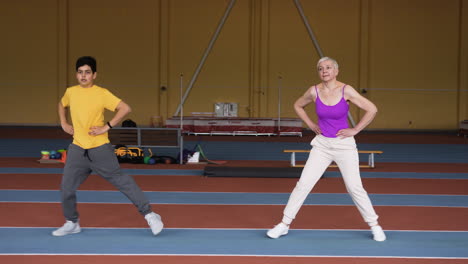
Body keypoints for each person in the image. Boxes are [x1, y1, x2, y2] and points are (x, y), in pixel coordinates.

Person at [266, 57, 386, 242]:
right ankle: (284, 224)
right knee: (303, 184)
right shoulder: (314, 91)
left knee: (354, 187)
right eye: (321, 68)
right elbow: (298, 105)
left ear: (336, 71)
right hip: (322, 145)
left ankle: (375, 226)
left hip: (344, 145)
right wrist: (311, 124)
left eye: (328, 68)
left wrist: (355, 129)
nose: (324, 71)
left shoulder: (347, 90)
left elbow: (372, 109)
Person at [53, 56, 163, 236]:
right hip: (77, 149)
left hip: (100, 149)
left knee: (122, 181)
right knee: (66, 188)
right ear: (76, 74)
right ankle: (72, 222)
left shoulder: (102, 93)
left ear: (94, 75)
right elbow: (61, 104)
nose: (83, 76)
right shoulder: (70, 92)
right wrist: (64, 123)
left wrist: (107, 126)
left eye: (87, 72)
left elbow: (125, 108)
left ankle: (150, 215)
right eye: (80, 72)